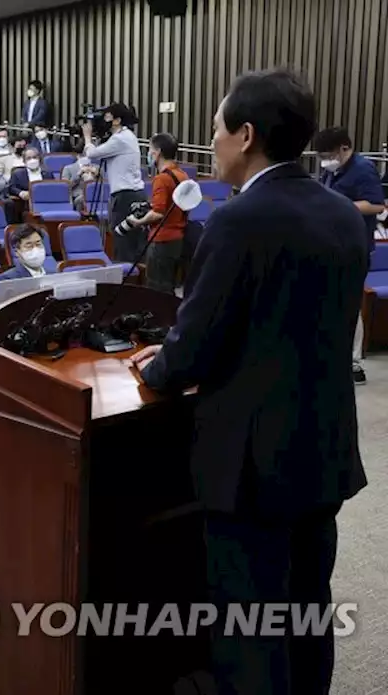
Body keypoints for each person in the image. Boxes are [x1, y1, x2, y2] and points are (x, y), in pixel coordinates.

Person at [128, 68, 367, 695]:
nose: (212, 143)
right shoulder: (344, 213)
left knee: (250, 621)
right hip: (323, 448)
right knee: (307, 607)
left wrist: (152, 365)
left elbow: (194, 346)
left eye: (216, 129)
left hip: (252, 464)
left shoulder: (239, 220)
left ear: (247, 134)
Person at [313, 126, 386, 385]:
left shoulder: (362, 168)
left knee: (349, 304)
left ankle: (353, 363)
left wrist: (339, 206)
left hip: (353, 248)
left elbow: (377, 204)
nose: (325, 160)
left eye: (328, 154)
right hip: (330, 245)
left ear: (345, 148)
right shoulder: (333, 169)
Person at [124, 133, 189, 294]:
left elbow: (159, 213)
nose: (149, 154)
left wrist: (138, 222)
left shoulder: (161, 179)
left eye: (150, 150)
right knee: (169, 287)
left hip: (162, 239)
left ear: (158, 152)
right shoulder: (183, 175)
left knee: (156, 290)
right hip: (179, 238)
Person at [82, 103, 145, 263]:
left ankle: (125, 277)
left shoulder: (120, 139)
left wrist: (87, 136)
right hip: (133, 194)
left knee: (122, 240)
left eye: (107, 116)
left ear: (116, 120)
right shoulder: (127, 136)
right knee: (130, 239)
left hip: (125, 196)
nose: (104, 120)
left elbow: (92, 153)